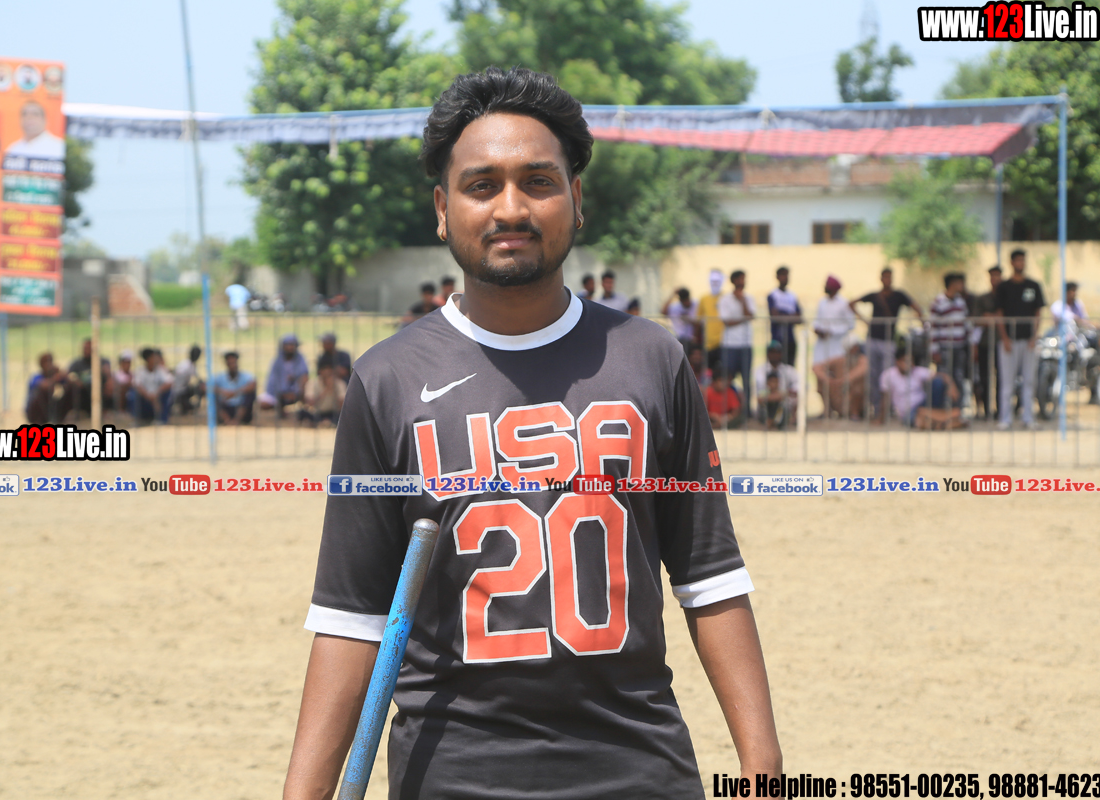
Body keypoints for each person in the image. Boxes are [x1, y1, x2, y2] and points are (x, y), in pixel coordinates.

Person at [285, 66, 781, 800]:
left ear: (577, 201)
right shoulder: (386, 380)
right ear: (443, 209)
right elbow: (351, 620)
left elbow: (710, 582)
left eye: (538, 182)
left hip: (640, 772)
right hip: (450, 779)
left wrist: (764, 775)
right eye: (482, 185)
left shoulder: (651, 359)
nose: (511, 208)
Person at [851, 267, 922, 421]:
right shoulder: (874, 296)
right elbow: (852, 303)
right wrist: (864, 321)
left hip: (888, 341)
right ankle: (878, 409)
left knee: (888, 376)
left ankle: (889, 409)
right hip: (872, 340)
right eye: (885, 277)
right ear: (881, 278)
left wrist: (919, 322)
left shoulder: (899, 295)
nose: (887, 280)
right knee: (873, 376)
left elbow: (917, 308)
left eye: (890, 277)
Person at [994, 249, 1046, 429]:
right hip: (1009, 341)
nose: (1020, 263)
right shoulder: (1003, 287)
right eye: (1017, 260)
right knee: (1007, 382)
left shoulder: (1033, 285)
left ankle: (1028, 418)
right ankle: (1005, 418)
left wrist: (1034, 336)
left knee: (1029, 381)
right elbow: (999, 313)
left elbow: (1038, 312)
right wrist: (1004, 338)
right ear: (1011, 262)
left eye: (1022, 260)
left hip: (1028, 341)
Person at [718, 269, 757, 419]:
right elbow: (727, 321)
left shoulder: (749, 298)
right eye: (740, 279)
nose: (742, 282)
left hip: (746, 344)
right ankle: (729, 408)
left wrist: (743, 302)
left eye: (743, 279)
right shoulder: (725, 300)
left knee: (746, 379)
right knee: (728, 378)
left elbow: (750, 315)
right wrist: (743, 319)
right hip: (729, 344)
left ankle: (747, 411)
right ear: (733, 281)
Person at [929, 272, 971, 394]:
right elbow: (933, 327)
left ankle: (957, 404)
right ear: (952, 284)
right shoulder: (938, 302)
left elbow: (966, 323)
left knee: (959, 377)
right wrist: (934, 350)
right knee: (944, 377)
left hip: (959, 346)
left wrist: (970, 342)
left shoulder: (961, 302)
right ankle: (943, 404)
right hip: (945, 346)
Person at [971, 266, 1003, 420]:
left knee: (1002, 378)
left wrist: (990, 317)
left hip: (1002, 343)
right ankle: (986, 410)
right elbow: (977, 320)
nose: (995, 279)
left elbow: (1003, 318)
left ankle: (1001, 410)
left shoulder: (1005, 297)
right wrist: (993, 318)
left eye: (997, 275)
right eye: (992, 276)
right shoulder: (982, 298)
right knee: (984, 378)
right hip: (985, 344)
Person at [812, 337, 867, 420]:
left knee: (859, 383)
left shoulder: (863, 359)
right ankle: (827, 411)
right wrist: (827, 380)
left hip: (854, 398)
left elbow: (863, 369)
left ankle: (855, 413)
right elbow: (816, 367)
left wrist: (845, 380)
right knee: (820, 381)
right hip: (839, 395)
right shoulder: (840, 360)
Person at [260, 333, 309, 417]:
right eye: (287, 345)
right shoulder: (277, 361)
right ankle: (280, 409)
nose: (290, 347)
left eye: (292, 345)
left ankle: (304, 409)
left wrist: (296, 391)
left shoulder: (300, 359)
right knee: (263, 403)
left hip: (296, 392)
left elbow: (304, 376)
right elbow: (273, 380)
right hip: (278, 393)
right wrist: (282, 393)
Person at [64, 338, 114, 420]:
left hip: (99, 391)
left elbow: (109, 376)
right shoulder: (77, 363)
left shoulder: (103, 361)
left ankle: (105, 411)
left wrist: (108, 377)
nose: (86, 351)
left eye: (88, 348)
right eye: (84, 348)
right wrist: (75, 380)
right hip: (83, 392)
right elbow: (68, 375)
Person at [753, 340, 798, 429]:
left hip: (782, 405)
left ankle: (790, 419)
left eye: (777, 352)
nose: (775, 355)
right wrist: (783, 394)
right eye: (772, 352)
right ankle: (769, 421)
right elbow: (760, 397)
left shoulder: (788, 370)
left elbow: (798, 390)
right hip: (768, 405)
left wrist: (781, 395)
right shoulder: (760, 371)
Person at [813, 275, 855, 365]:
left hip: (837, 343)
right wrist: (817, 328)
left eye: (827, 284)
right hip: (822, 343)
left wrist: (832, 331)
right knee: (819, 366)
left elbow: (851, 324)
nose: (824, 286)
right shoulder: (822, 302)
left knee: (835, 367)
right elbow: (817, 319)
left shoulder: (843, 303)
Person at [767, 265, 802, 366]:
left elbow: (799, 317)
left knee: (790, 366)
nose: (785, 278)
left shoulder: (792, 296)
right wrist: (790, 316)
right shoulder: (773, 295)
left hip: (790, 338)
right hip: (777, 338)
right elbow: (774, 316)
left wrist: (783, 315)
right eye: (782, 275)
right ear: (777, 277)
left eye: (786, 275)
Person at [130, 347, 174, 424]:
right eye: (154, 357)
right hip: (146, 401)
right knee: (133, 394)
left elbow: (170, 382)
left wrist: (157, 393)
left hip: (157, 400)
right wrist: (148, 396)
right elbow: (137, 385)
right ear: (148, 359)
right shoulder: (140, 371)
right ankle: (139, 419)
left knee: (168, 392)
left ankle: (162, 419)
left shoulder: (160, 370)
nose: (156, 359)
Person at [298, 359, 347, 427]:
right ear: (320, 371)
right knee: (302, 412)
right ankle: (322, 423)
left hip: (333, 413)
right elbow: (310, 404)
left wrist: (334, 390)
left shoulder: (339, 383)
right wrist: (325, 391)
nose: (327, 372)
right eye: (325, 369)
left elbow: (343, 406)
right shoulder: (312, 383)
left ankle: (326, 423)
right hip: (317, 413)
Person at [212, 351, 256, 425]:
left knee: (251, 394)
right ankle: (227, 420)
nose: (232, 365)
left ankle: (236, 420)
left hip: (241, 409)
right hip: (225, 408)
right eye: (230, 363)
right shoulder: (220, 377)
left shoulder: (245, 376)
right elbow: (206, 387)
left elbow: (253, 385)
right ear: (226, 363)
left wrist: (234, 393)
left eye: (234, 362)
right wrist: (223, 392)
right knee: (212, 395)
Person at [24, 352, 67, 425]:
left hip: (50, 409)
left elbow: (68, 379)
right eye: (46, 362)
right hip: (34, 412)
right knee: (42, 392)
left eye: (50, 361)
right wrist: (55, 378)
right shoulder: (36, 377)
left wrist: (60, 372)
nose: (48, 364)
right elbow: (43, 385)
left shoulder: (54, 375)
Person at [697, 268, 726, 367]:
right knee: (709, 370)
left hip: (724, 342)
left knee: (724, 371)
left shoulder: (726, 298)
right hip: (708, 344)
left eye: (717, 281)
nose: (715, 284)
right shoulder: (704, 299)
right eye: (712, 281)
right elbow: (698, 320)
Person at [172, 344, 204, 415]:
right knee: (190, 407)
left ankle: (187, 406)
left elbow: (197, 378)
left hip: (183, 389)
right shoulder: (187, 365)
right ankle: (184, 405)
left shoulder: (187, 363)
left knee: (200, 387)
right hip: (178, 392)